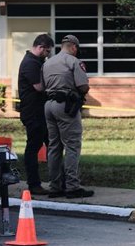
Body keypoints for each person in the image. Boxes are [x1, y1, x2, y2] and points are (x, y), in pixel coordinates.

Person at [42, 34, 93, 199]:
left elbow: (41, 87)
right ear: (73, 47)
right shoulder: (73, 61)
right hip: (66, 106)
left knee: (54, 147)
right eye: (76, 49)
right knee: (72, 145)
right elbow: (83, 86)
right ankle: (72, 187)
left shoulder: (47, 62)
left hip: (49, 106)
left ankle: (55, 187)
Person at [17, 34, 54, 196]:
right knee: (34, 147)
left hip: (39, 112)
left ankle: (59, 181)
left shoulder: (36, 61)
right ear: (40, 47)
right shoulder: (30, 63)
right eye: (47, 51)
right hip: (33, 113)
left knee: (52, 144)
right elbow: (39, 87)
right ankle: (34, 184)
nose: (48, 55)